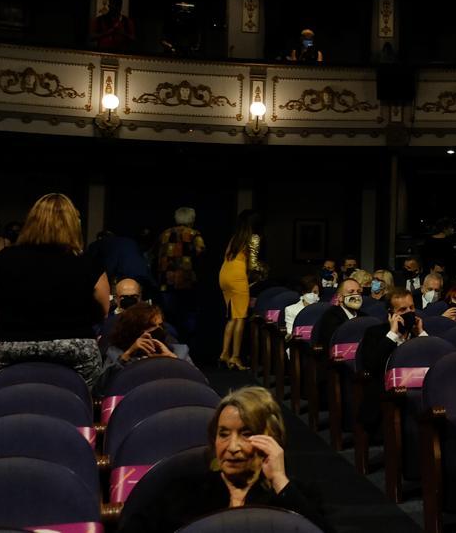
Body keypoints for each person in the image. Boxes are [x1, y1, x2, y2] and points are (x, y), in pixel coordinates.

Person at [119, 386, 328, 533]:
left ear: (271, 438)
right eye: (224, 434)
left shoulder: (295, 495)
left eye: (246, 433)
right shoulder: (184, 491)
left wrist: (280, 481)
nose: (233, 447)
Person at [0, 194, 108, 386]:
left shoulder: (5, 257)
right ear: (73, 224)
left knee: (0, 395)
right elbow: (103, 310)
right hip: (75, 346)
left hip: (11, 345)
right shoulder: (88, 262)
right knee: (82, 398)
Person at [357, 289, 428, 434]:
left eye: (412, 308)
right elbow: (371, 365)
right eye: (403, 309)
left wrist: (421, 334)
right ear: (391, 313)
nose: (409, 312)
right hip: (386, 393)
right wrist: (392, 334)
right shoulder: (374, 333)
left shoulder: (419, 334)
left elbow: (433, 361)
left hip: (417, 391)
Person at [98, 303, 190, 386]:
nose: (158, 330)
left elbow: (199, 381)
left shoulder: (180, 351)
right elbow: (101, 388)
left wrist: (173, 359)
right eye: (151, 326)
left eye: (160, 325)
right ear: (135, 331)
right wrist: (127, 356)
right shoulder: (115, 353)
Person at [219, 210, 266, 371]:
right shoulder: (253, 238)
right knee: (240, 318)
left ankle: (224, 353)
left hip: (224, 274)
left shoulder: (235, 238)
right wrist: (264, 270)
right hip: (238, 277)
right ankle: (235, 357)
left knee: (232, 316)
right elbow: (253, 265)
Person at [155, 207, 205, 342]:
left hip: (166, 283)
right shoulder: (194, 234)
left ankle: (170, 345)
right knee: (188, 317)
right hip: (187, 282)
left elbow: (155, 255)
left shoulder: (164, 234)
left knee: (169, 317)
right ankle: (187, 348)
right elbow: (201, 255)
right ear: (191, 219)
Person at [314, 279, 363, 351]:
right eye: (351, 292)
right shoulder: (330, 317)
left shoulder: (365, 317)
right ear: (340, 297)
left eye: (358, 292)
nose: (356, 295)